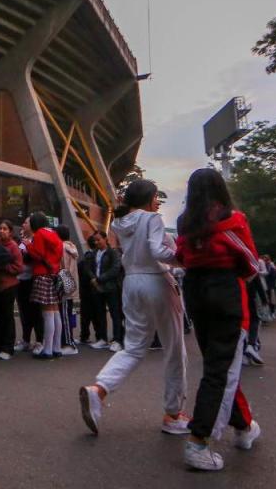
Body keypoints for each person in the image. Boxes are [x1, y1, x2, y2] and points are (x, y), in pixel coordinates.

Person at [79, 179, 189, 436]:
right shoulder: (152, 219)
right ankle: (174, 414)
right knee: (174, 349)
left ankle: (99, 390)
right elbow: (156, 249)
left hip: (131, 284)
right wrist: (181, 258)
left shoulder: (120, 222)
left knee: (134, 347)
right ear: (149, 198)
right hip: (157, 280)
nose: (158, 202)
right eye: (156, 197)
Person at [175, 168, 261, 471]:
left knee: (218, 365)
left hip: (195, 292)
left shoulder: (185, 223)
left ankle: (244, 426)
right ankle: (199, 442)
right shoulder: (232, 219)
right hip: (225, 292)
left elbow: (181, 258)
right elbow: (251, 263)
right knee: (220, 371)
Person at [28, 212, 64, 359]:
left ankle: (48, 349)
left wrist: (28, 245)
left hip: (42, 274)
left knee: (47, 312)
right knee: (55, 311)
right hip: (54, 273)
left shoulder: (39, 234)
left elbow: (38, 254)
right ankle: (56, 348)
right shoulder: (54, 233)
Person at [87, 231, 124, 352]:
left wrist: (99, 279)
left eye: (99, 240)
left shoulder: (113, 253)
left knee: (115, 314)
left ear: (105, 239)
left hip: (111, 287)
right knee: (100, 314)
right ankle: (102, 338)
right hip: (97, 288)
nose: (96, 242)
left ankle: (117, 340)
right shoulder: (93, 253)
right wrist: (93, 278)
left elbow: (115, 269)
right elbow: (88, 267)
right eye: (95, 240)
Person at [0, 220, 23, 359]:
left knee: (7, 317)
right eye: (1, 228)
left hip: (9, 286)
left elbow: (18, 267)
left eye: (5, 229)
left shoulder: (13, 247)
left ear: (10, 232)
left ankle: (7, 347)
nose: (2, 231)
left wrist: (4, 267)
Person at [15, 218, 43, 353]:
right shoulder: (22, 241)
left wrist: (23, 254)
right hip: (21, 280)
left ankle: (39, 341)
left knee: (36, 312)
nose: (23, 224)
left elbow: (34, 257)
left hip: (33, 280)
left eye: (25, 223)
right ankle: (26, 340)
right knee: (24, 312)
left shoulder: (37, 239)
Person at [55, 224, 80, 356]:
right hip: (71, 287)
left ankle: (69, 344)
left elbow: (62, 268)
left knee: (64, 315)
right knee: (67, 314)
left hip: (64, 287)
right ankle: (68, 341)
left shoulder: (62, 248)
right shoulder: (71, 247)